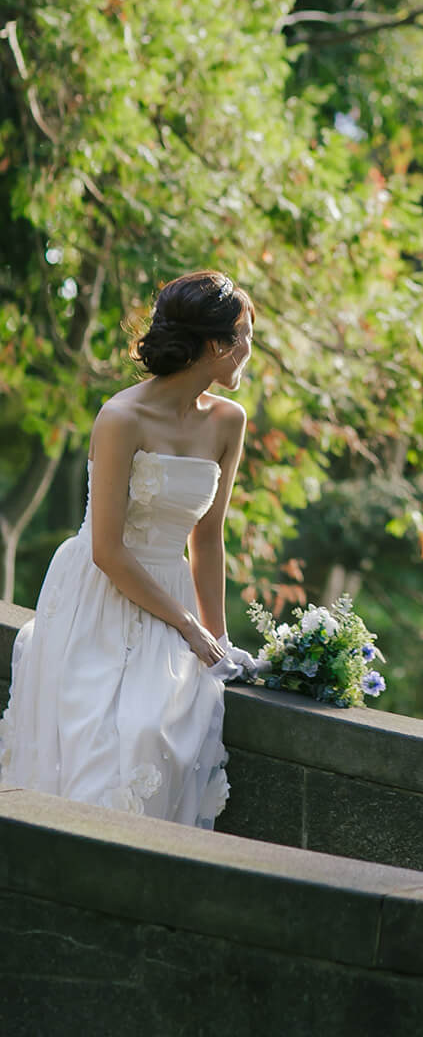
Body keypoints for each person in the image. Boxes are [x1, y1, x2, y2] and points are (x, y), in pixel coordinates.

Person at [0, 269, 255, 825]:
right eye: (245, 338)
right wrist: (188, 625)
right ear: (216, 345)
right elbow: (107, 551)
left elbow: (207, 539)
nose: (248, 353)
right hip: (100, 592)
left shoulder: (229, 422)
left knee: (163, 729)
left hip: (173, 592)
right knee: (106, 746)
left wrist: (219, 638)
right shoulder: (121, 417)